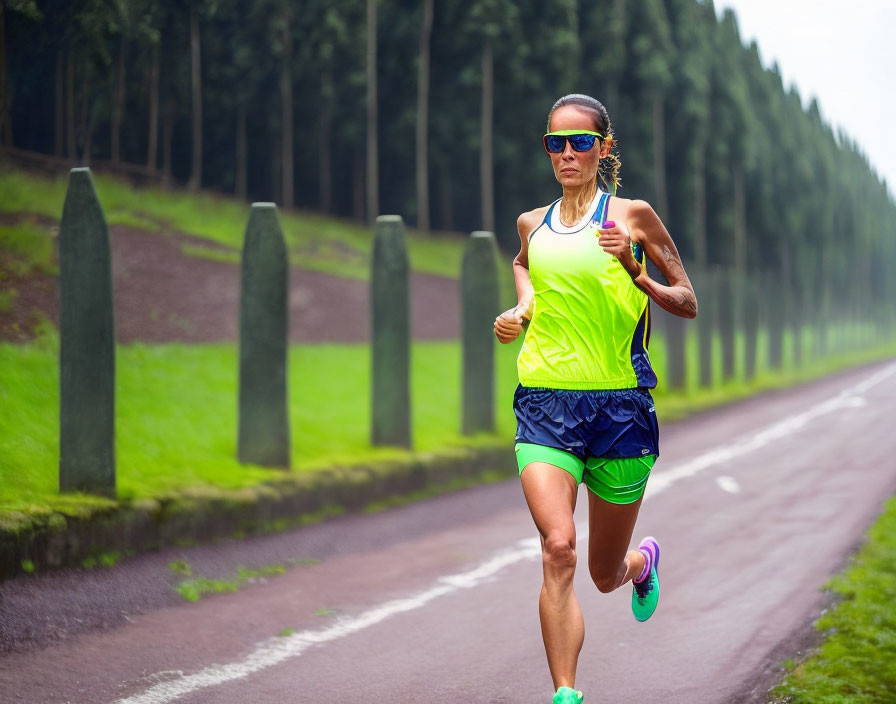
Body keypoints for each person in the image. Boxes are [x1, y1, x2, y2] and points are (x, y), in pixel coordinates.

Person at [493, 94, 697, 704]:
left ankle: (641, 565)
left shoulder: (633, 217)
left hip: (620, 411)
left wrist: (637, 273)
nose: (566, 155)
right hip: (545, 404)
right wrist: (522, 307)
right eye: (555, 143)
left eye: (579, 142)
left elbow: (687, 298)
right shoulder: (534, 222)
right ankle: (566, 694)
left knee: (603, 576)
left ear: (604, 148)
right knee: (559, 548)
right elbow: (524, 263)